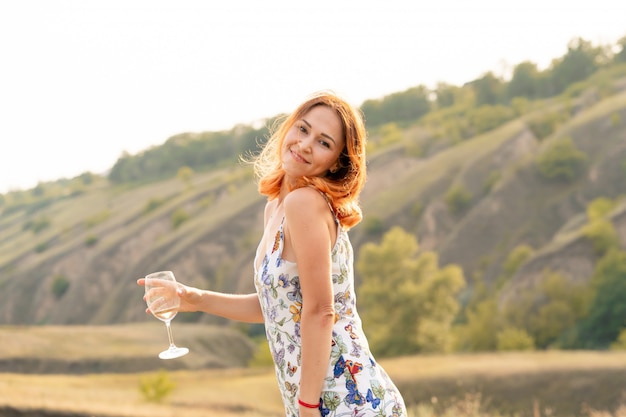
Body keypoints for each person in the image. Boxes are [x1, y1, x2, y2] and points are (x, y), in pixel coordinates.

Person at [138, 91, 407, 417]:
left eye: (324, 142)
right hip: (318, 402)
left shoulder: (305, 203)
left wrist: (307, 407)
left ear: (337, 161)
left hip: (348, 401)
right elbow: (280, 307)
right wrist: (192, 298)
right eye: (303, 129)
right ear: (289, 128)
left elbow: (321, 311)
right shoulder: (276, 208)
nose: (306, 144)